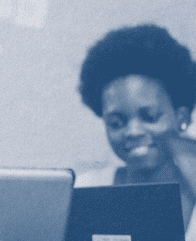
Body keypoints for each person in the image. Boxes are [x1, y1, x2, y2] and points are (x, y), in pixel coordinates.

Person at [77, 24, 196, 236]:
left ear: (182, 117)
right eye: (116, 123)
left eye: (149, 117)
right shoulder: (84, 191)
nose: (132, 131)